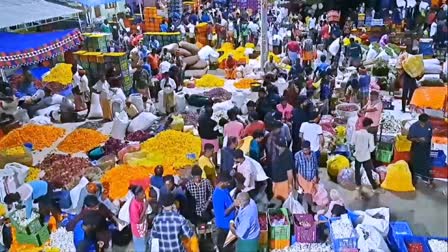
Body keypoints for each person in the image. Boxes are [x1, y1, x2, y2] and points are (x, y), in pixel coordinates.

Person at [351, 118, 381, 197]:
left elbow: (352, 143)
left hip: (357, 155)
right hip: (366, 156)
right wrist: (368, 150)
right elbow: (372, 148)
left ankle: (358, 185)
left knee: (357, 171)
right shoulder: (369, 135)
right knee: (368, 172)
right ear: (368, 126)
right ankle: (374, 187)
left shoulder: (356, 133)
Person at [407, 113, 433, 186]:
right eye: (423, 122)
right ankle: (413, 178)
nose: (424, 124)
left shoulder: (429, 125)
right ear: (419, 121)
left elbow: (430, 135)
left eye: (426, 122)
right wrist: (417, 139)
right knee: (415, 162)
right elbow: (408, 137)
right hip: (416, 147)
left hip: (426, 147)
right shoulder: (414, 126)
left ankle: (425, 177)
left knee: (425, 162)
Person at [213, 174, 236, 252]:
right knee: (224, 248)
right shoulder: (218, 195)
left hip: (230, 224)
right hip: (224, 226)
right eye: (227, 183)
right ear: (222, 182)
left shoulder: (224, 189)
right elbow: (224, 214)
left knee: (230, 246)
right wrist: (233, 205)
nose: (229, 184)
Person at [295, 141, 319, 211]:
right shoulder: (297, 155)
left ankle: (310, 210)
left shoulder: (313, 154)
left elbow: (315, 166)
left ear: (310, 148)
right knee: (300, 195)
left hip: (311, 180)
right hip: (301, 179)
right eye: (304, 150)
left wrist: (315, 176)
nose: (305, 151)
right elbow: (295, 169)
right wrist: (296, 182)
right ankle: (298, 210)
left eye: (307, 150)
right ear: (301, 148)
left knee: (310, 195)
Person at [270, 137, 294, 201]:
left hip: (283, 182)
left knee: (283, 201)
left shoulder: (288, 154)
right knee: (277, 201)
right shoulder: (275, 152)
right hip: (275, 181)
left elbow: (289, 172)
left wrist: (290, 185)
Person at [129, 185, 149, 251]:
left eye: (144, 193)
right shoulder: (133, 207)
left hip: (143, 225)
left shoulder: (141, 199)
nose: (144, 196)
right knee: (140, 247)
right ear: (136, 196)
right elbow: (138, 222)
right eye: (142, 195)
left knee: (143, 241)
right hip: (137, 229)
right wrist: (145, 208)